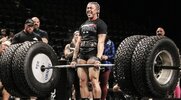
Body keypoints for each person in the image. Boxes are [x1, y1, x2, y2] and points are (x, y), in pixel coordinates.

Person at [71, 2, 107, 100]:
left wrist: (98, 58)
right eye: (87, 8)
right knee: (82, 82)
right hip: (82, 56)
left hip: (93, 55)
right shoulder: (83, 25)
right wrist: (74, 59)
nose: (88, 10)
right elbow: (78, 43)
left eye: (91, 8)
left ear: (97, 10)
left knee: (94, 81)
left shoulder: (101, 24)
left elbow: (101, 42)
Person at [64, 30, 80, 100]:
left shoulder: (82, 46)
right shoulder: (68, 46)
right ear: (73, 36)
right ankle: (69, 98)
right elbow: (66, 56)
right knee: (69, 84)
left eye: (79, 35)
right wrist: (75, 51)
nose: (77, 36)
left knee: (78, 86)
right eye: (76, 35)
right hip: (70, 67)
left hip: (79, 67)